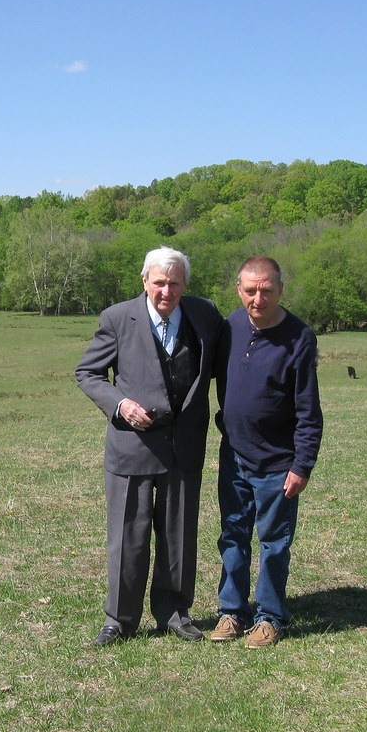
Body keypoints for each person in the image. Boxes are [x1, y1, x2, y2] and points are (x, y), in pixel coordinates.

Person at [76, 247, 223, 646]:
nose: (166, 291)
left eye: (174, 283)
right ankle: (119, 620)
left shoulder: (205, 314)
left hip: (184, 447)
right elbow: (88, 372)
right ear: (144, 281)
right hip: (132, 447)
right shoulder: (117, 318)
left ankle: (174, 613)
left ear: (185, 284)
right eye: (159, 282)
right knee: (128, 538)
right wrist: (120, 405)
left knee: (179, 536)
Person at [211, 256, 323, 648]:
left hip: (278, 462)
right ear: (238, 289)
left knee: (274, 542)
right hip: (234, 454)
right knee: (233, 535)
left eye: (267, 290)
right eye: (250, 290)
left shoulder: (299, 337)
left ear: (280, 289)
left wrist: (302, 464)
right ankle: (232, 612)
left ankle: (270, 618)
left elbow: (308, 409)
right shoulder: (231, 326)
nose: (258, 299)